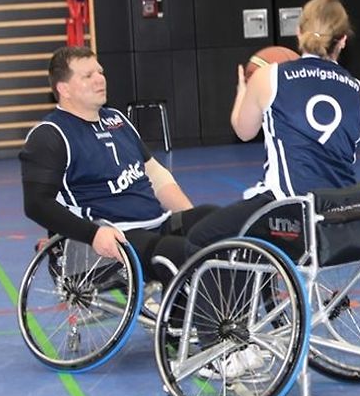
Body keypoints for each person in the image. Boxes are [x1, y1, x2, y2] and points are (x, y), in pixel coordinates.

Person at [185, 0, 360, 252]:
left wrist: (242, 92)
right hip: (341, 216)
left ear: (299, 32)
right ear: (343, 40)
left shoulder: (270, 77)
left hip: (290, 213)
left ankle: (235, 280)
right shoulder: (359, 92)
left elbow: (244, 131)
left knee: (199, 238)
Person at [19, 46, 215, 286]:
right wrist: (93, 234)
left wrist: (189, 219)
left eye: (100, 72)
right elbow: (37, 204)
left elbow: (156, 175)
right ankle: (200, 310)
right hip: (111, 239)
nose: (99, 79)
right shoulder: (50, 135)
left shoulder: (117, 120)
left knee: (215, 223)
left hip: (156, 225)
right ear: (64, 89)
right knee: (182, 252)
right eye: (88, 76)